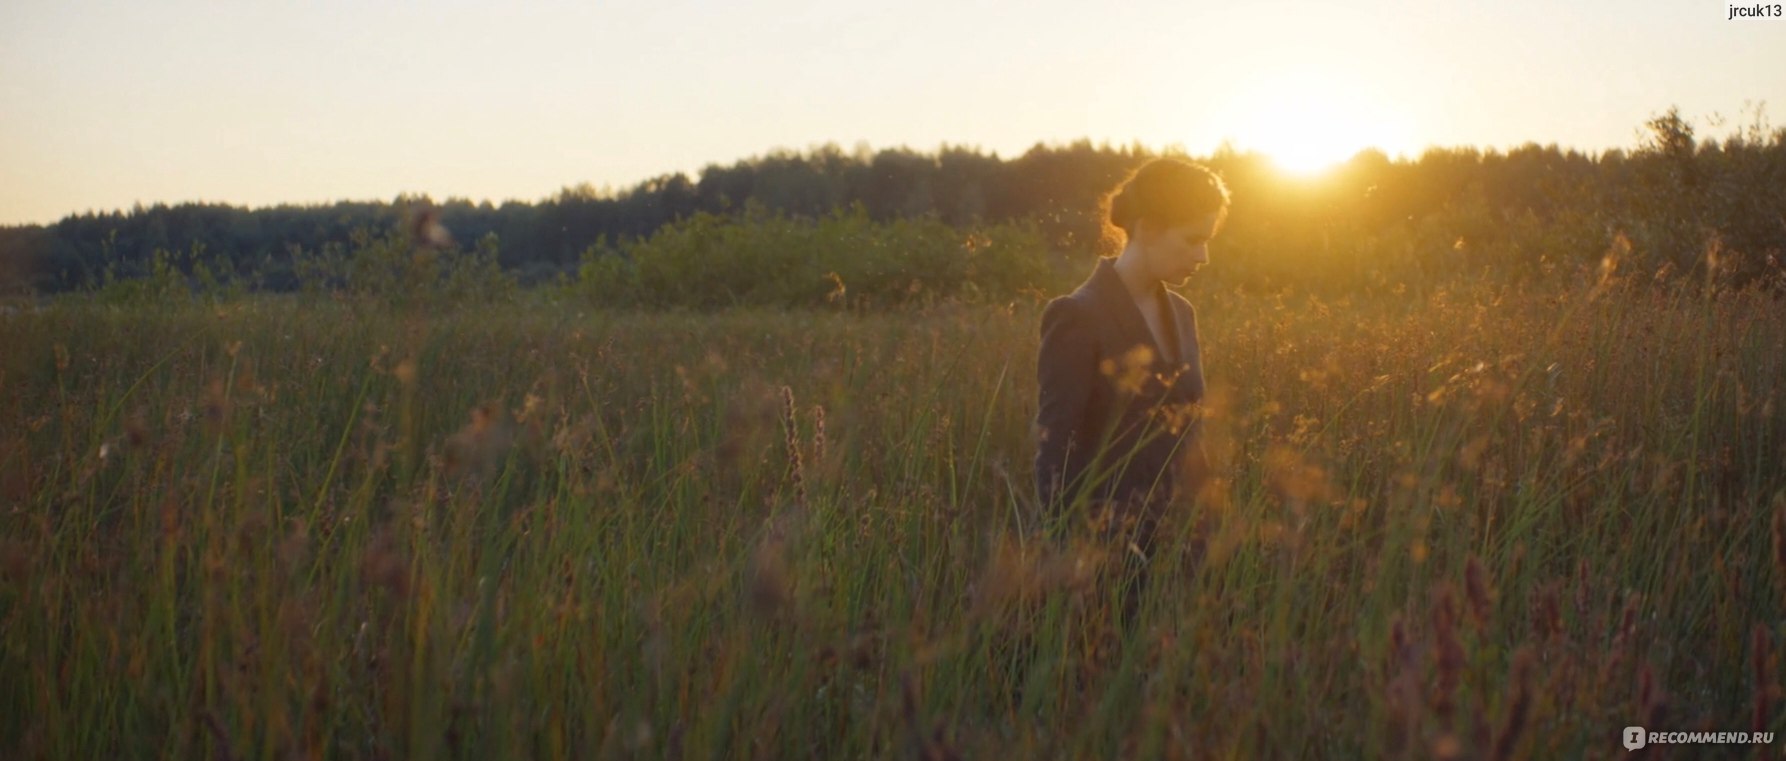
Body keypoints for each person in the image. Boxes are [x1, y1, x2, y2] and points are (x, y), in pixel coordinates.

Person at [1032, 157, 1229, 601]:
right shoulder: (1077, 316)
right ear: (1148, 228)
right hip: (1105, 564)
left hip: (1181, 554)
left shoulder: (1183, 313)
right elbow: (1053, 449)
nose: (1203, 256)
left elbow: (1192, 435)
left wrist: (1207, 532)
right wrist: (1070, 557)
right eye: (1193, 239)